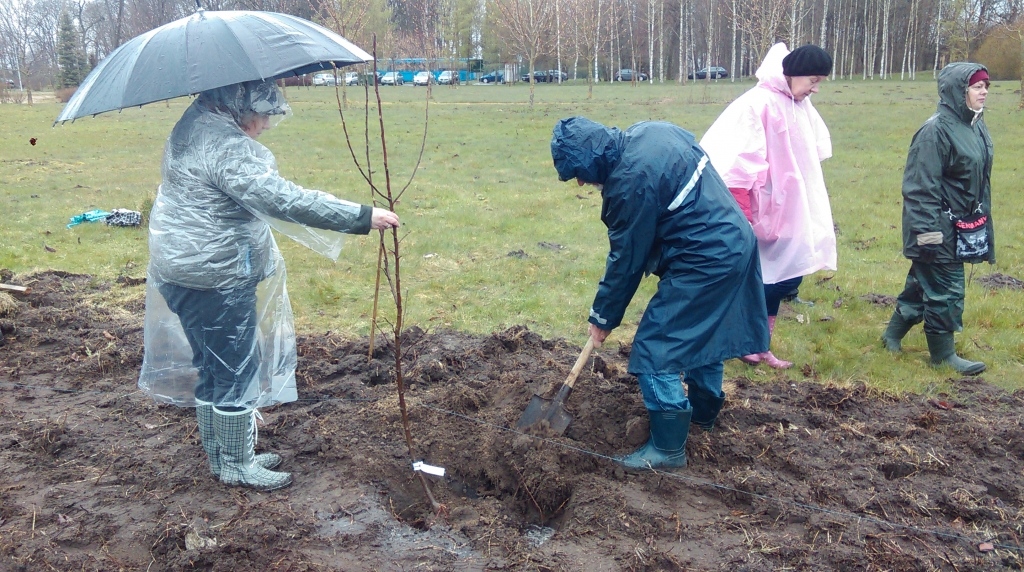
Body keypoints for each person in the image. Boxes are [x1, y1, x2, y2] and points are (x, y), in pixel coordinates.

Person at [138, 79, 399, 491]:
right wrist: (361, 216)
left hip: (180, 268)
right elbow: (281, 198)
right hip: (215, 276)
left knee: (213, 366)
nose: (264, 126)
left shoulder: (194, 122)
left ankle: (220, 454)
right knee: (234, 370)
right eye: (263, 116)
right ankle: (238, 464)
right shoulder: (227, 146)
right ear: (242, 106)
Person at [550, 117, 768, 470]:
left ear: (591, 159)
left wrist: (603, 318)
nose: (580, 181)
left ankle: (667, 449)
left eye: (579, 171)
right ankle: (701, 416)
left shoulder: (630, 182)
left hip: (706, 258)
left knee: (657, 344)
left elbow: (626, 261)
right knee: (702, 334)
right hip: (736, 241)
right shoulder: (650, 132)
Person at [700, 43, 837, 369]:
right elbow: (736, 164)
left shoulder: (798, 103)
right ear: (793, 74)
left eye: (820, 82)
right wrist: (743, 216)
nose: (815, 88)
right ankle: (741, 340)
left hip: (789, 208)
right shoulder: (756, 104)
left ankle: (760, 344)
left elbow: (810, 150)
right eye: (813, 80)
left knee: (785, 278)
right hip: (760, 208)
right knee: (758, 277)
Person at [881, 64, 993, 375]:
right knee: (946, 289)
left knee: (922, 282)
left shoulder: (975, 125)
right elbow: (919, 189)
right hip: (936, 227)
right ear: (958, 91)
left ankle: (890, 336)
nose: (984, 91)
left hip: (963, 225)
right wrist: (929, 238)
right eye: (977, 86)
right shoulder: (935, 131)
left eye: (986, 86)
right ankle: (943, 355)